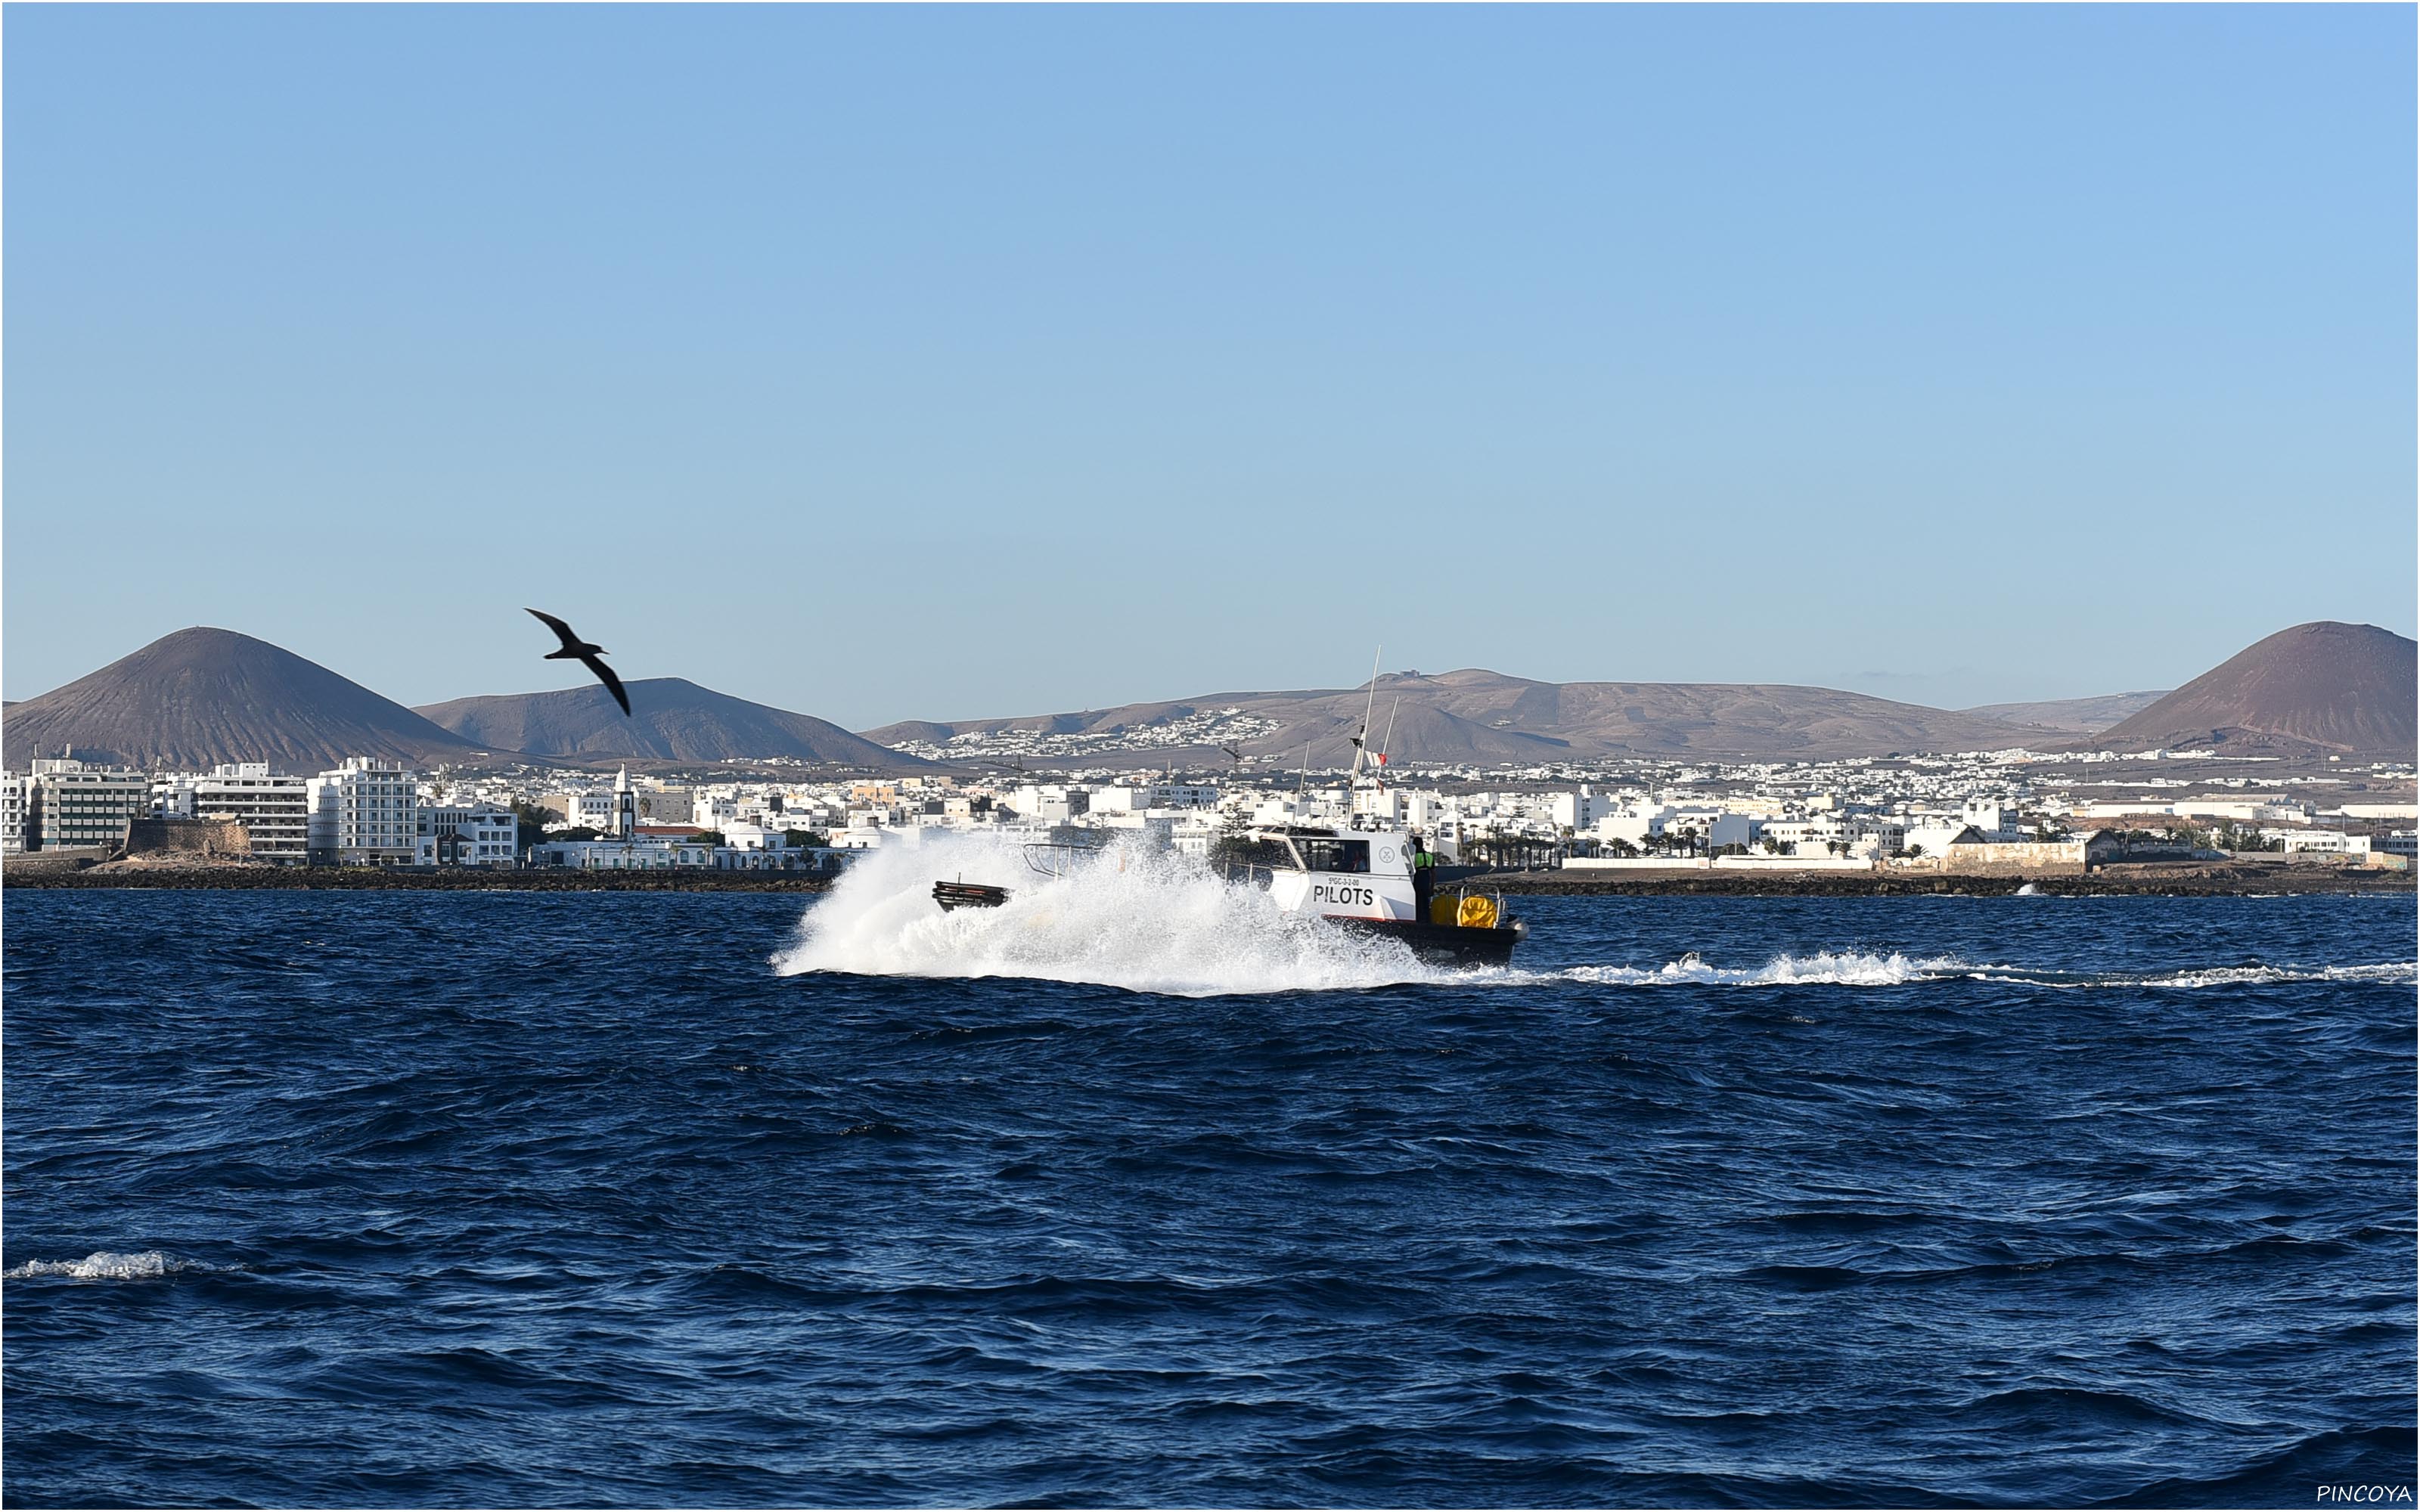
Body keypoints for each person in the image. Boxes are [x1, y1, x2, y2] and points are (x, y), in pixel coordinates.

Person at [1410, 831, 1436, 921]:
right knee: (1426, 901)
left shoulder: (1413, 856)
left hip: (1417, 877)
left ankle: (1418, 919)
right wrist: (1432, 886)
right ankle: (1427, 919)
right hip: (1427, 877)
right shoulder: (1429, 856)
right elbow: (1433, 873)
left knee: (1417, 900)